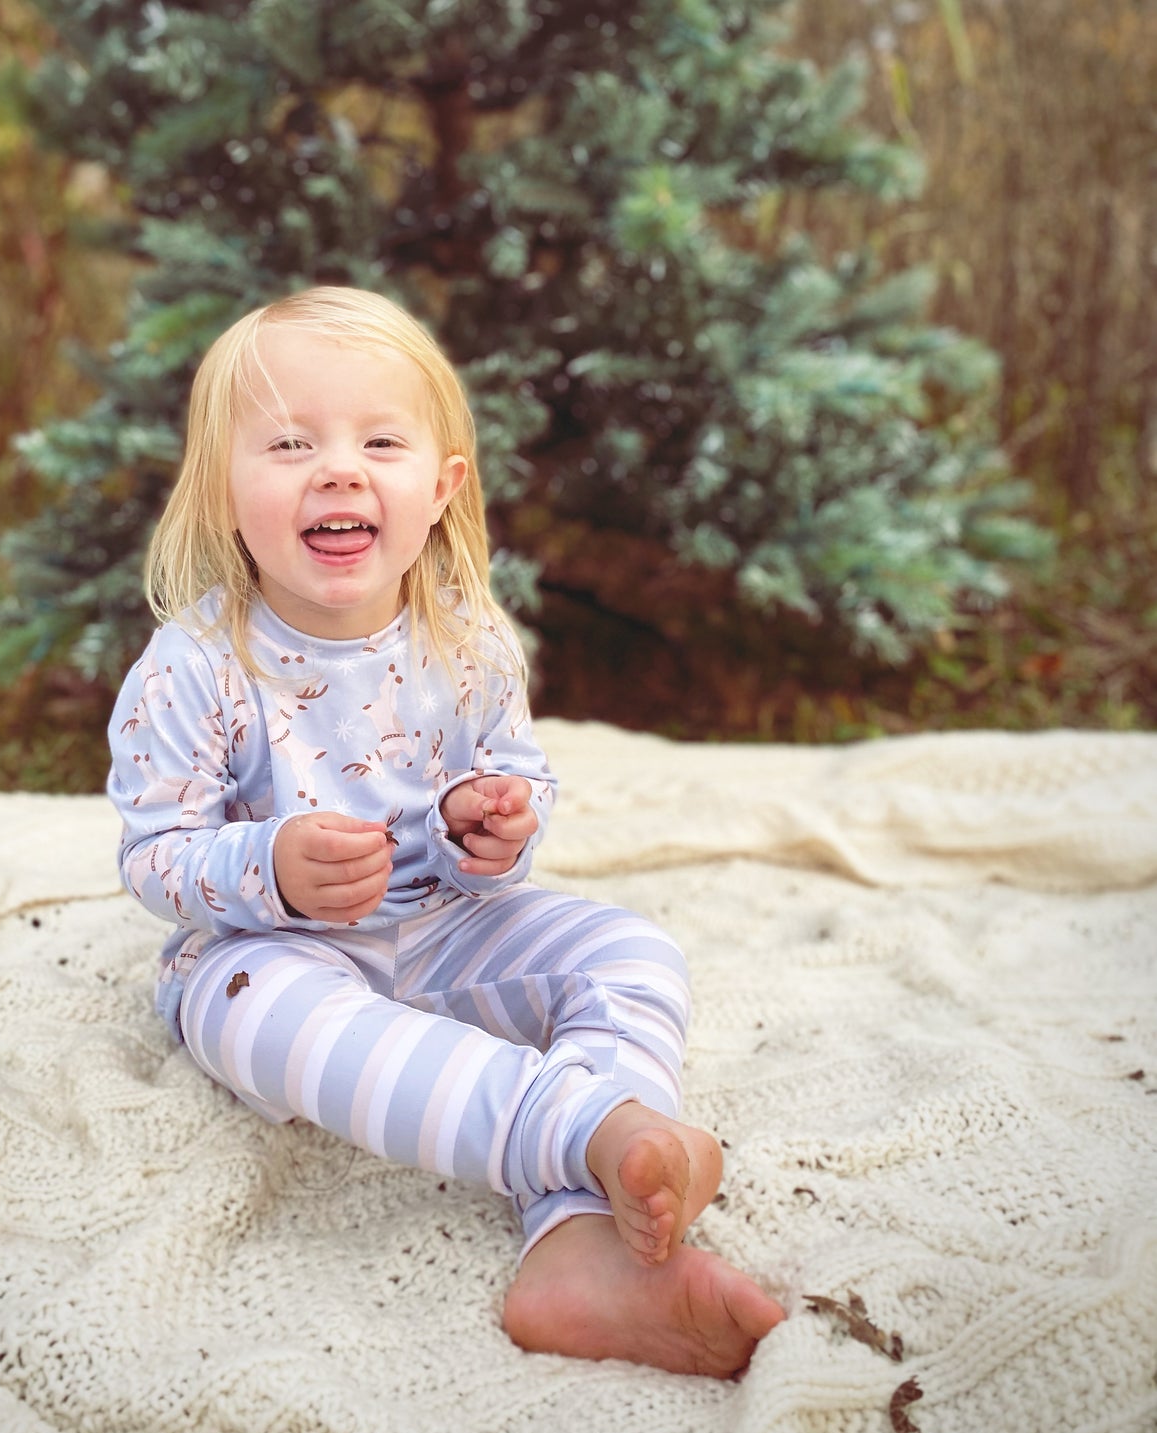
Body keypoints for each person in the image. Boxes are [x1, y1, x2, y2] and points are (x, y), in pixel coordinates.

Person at [106, 286, 785, 1375]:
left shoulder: (463, 640)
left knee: (628, 949)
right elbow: (152, 851)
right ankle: (590, 1132)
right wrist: (267, 865)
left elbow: (514, 777)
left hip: (447, 928)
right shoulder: (193, 667)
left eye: (379, 441)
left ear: (439, 489)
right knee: (259, 1013)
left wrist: (494, 826)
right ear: (223, 490)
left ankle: (573, 1243)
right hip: (267, 952)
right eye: (288, 444)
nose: (337, 468)